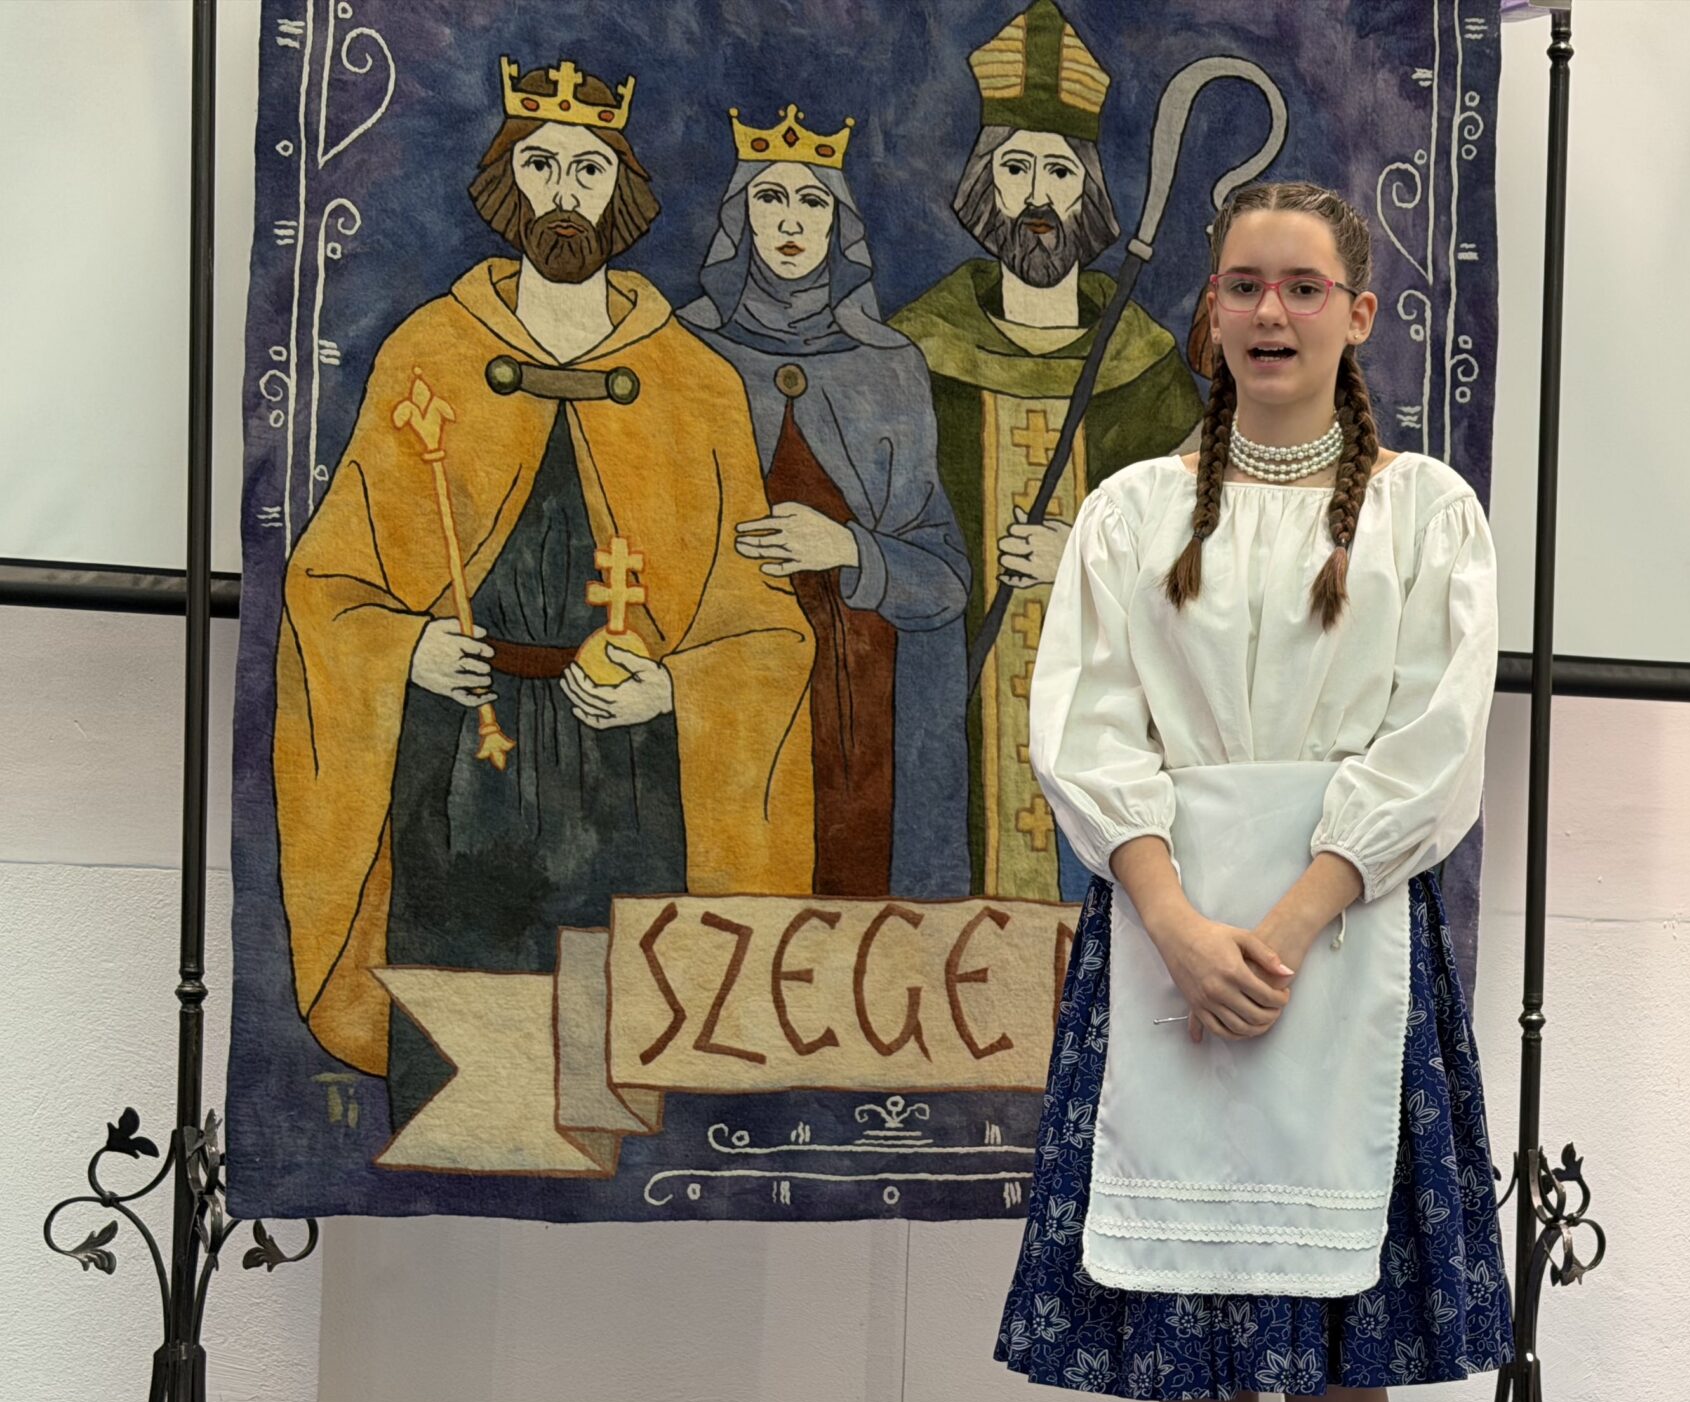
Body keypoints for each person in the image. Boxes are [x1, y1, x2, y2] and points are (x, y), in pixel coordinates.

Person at [994, 182, 1511, 1402]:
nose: (1270, 313)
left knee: (1341, 1370)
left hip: (1343, 962)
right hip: (1167, 960)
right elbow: (1084, 724)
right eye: (1243, 286)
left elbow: (1436, 740)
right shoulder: (1135, 511)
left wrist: (1287, 926)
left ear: (1360, 315)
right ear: (1210, 315)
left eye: (1303, 287)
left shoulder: (1428, 514)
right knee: (1199, 1363)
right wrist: (1171, 918)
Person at [273, 57, 812, 1132]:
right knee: (461, 1087)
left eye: (589, 169)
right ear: (507, 183)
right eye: (543, 165)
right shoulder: (431, 353)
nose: (566, 192)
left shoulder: (695, 384)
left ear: (623, 194)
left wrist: (674, 688)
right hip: (461, 758)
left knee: (605, 1073)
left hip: (626, 768)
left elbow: (761, 625)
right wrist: (407, 648)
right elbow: (327, 579)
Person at [887, 0, 1200, 905]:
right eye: (1015, 167)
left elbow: (1208, 543)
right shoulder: (918, 351)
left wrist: (1087, 558)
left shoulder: (1142, 366)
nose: (1035, 197)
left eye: (1058, 171)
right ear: (984, 185)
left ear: (1086, 193)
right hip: (950, 706)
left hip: (1111, 717)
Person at [681, 109, 973, 899]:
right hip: (729, 677)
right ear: (739, 216)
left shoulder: (889, 365)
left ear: (839, 226)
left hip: (861, 700)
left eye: (813, 203)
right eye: (769, 198)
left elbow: (945, 578)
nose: (791, 222)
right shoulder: (687, 349)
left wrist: (848, 549)